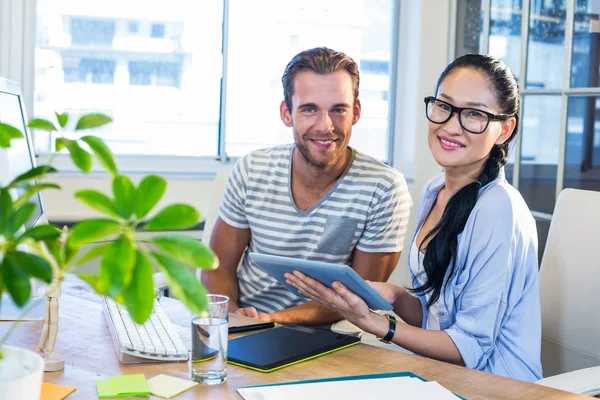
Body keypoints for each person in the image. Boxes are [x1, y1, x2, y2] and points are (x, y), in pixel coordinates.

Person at [286, 53, 543, 382]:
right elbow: (434, 317)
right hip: (440, 376)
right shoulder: (436, 190)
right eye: (444, 106)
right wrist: (395, 296)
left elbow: (470, 347)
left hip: (496, 387)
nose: (451, 126)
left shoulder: (499, 209)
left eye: (474, 115)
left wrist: (379, 324)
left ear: (505, 129)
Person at [202, 47, 412, 326]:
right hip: (244, 323)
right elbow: (218, 267)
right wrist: (232, 319)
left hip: (329, 335)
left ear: (356, 113)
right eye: (309, 109)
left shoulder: (384, 188)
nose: (325, 126)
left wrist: (272, 321)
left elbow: (359, 296)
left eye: (338, 110)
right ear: (287, 113)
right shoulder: (253, 169)